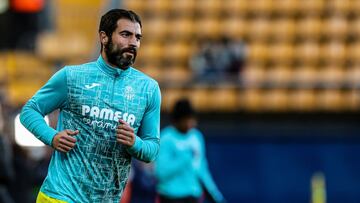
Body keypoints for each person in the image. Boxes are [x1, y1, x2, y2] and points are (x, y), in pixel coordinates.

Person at [20, 9, 161, 203]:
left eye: (138, 37)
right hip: (61, 195)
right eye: (125, 34)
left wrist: (134, 143)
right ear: (104, 37)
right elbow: (29, 111)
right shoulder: (72, 77)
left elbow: (152, 149)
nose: (133, 43)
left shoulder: (149, 89)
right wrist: (51, 137)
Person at [154, 99, 226, 203]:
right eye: (187, 119)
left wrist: (216, 195)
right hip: (170, 197)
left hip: (193, 196)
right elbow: (161, 173)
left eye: (192, 119)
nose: (191, 123)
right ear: (177, 120)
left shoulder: (197, 137)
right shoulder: (166, 138)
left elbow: (202, 169)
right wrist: (184, 158)